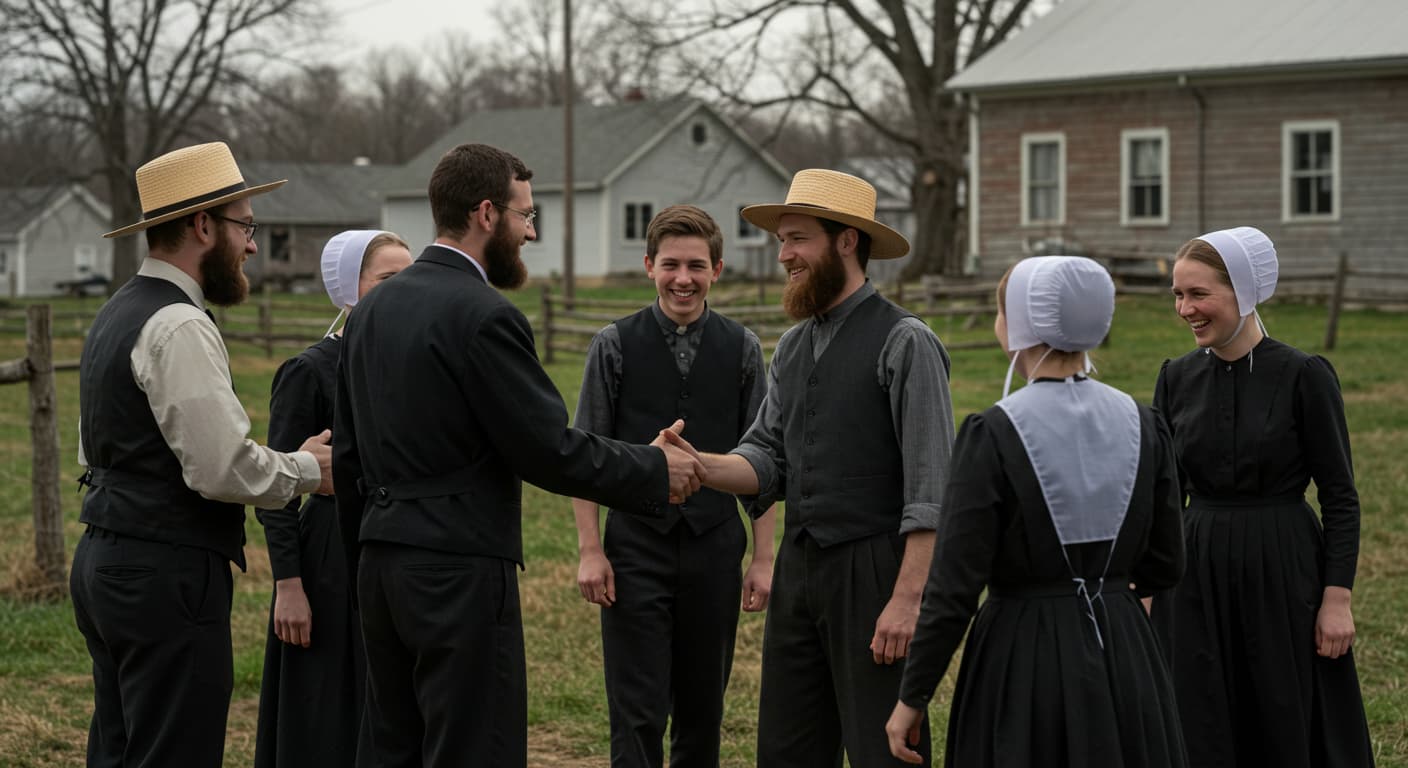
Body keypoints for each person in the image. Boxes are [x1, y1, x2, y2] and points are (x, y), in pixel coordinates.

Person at [333, 142, 707, 768]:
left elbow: (348, 457)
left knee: (393, 745)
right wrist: (652, 469)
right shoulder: (483, 314)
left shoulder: (372, 311)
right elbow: (547, 449)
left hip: (380, 568)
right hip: (458, 571)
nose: (531, 232)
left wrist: (363, 559)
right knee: (474, 745)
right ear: (487, 214)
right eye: (525, 215)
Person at [661, 169, 955, 767]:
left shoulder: (906, 341)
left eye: (797, 239)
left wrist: (908, 600)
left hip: (875, 575)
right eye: (782, 241)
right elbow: (766, 458)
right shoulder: (793, 347)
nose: (784, 255)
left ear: (846, 241)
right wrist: (698, 465)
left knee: (885, 752)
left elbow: (932, 490)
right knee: (788, 750)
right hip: (800, 570)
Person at [71, 141, 334, 767]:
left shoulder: (115, 313)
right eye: (245, 226)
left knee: (120, 747)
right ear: (202, 225)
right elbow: (220, 467)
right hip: (163, 575)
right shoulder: (179, 324)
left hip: (105, 563)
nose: (250, 244)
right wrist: (307, 469)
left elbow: (100, 447)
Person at [885, 255, 1188, 767]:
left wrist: (912, 697)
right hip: (1122, 644)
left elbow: (955, 587)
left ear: (1020, 325)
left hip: (1024, 654)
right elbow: (1167, 561)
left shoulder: (993, 433)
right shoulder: (1144, 423)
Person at [1153, 227, 1374, 767]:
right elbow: (1162, 494)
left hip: (1282, 566)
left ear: (1244, 292)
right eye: (1179, 295)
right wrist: (1147, 585)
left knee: (1281, 709)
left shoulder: (1303, 375)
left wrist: (1336, 598)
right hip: (1196, 570)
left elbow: (1340, 496)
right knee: (1199, 710)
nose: (1186, 309)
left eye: (1199, 294)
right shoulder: (1175, 378)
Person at [570, 204, 777, 767]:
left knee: (702, 707)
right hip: (636, 546)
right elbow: (583, 457)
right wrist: (591, 550)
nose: (682, 278)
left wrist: (763, 558)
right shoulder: (612, 345)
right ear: (648, 266)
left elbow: (763, 462)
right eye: (670, 265)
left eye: (695, 266)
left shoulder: (744, 349)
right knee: (636, 709)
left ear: (717, 270)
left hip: (714, 545)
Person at [253, 230, 413, 767]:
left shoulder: (413, 366)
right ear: (351, 290)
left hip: (395, 548)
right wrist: (288, 586)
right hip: (328, 559)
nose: (403, 291)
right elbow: (275, 489)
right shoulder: (310, 371)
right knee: (327, 705)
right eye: (388, 280)